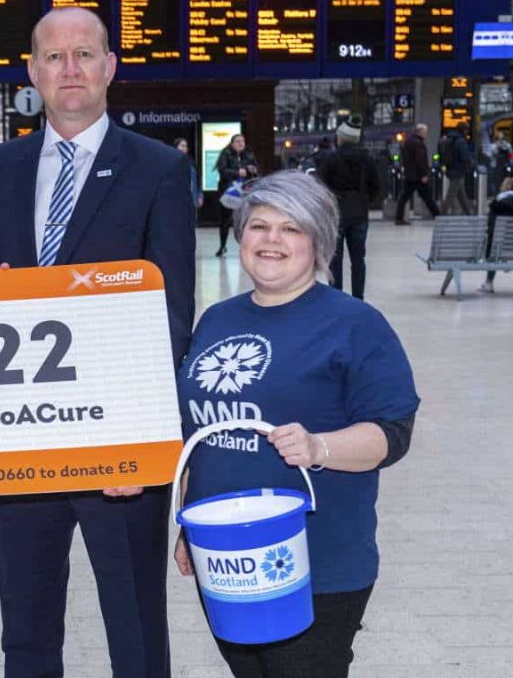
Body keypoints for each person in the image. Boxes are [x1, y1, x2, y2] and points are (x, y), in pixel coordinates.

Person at [0, 7, 195, 678]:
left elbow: (172, 312)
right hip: (22, 436)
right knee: (25, 628)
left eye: (84, 55)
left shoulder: (156, 169)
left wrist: (141, 437)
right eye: (53, 57)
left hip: (115, 440)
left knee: (135, 625)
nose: (69, 69)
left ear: (109, 68)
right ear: (31, 71)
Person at [174, 170, 419, 678]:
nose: (271, 240)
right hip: (227, 557)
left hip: (317, 560)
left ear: (319, 241)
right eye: (259, 226)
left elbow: (392, 432)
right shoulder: (217, 319)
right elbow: (198, 438)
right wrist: (187, 525)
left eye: (291, 228)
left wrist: (318, 446)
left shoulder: (353, 324)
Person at [318, 117, 380, 301]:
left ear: (341, 138)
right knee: (358, 259)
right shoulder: (367, 159)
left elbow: (320, 185)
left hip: (335, 215)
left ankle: (337, 298)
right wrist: (364, 201)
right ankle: (358, 298)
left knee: (335, 260)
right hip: (359, 213)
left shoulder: (331, 158)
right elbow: (376, 187)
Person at [479, 176, 513, 293]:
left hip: (499, 248)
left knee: (492, 242)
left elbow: (491, 228)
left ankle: (489, 283)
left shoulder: (496, 205)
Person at [215, 134, 260, 257]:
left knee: (244, 220)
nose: (241, 143)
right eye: (238, 141)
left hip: (245, 191)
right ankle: (222, 245)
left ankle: (244, 246)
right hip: (229, 191)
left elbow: (257, 170)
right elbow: (222, 170)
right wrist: (236, 172)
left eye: (242, 141)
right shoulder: (226, 154)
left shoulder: (249, 154)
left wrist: (252, 170)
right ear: (232, 143)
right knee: (225, 220)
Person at [396, 123, 440, 224]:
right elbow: (420, 160)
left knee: (405, 197)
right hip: (417, 176)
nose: (426, 134)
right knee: (427, 197)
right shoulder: (418, 143)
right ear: (420, 132)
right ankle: (437, 215)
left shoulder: (408, 142)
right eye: (425, 132)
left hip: (410, 175)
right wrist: (424, 174)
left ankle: (399, 218)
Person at [440, 123, 473, 215]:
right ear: (464, 130)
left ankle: (468, 213)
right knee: (451, 194)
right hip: (458, 170)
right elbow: (464, 156)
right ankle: (443, 213)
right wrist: (470, 162)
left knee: (461, 193)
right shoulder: (461, 141)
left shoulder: (450, 139)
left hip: (450, 168)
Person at [173, 137, 203, 210]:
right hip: (176, 197)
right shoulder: (171, 161)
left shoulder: (191, 162)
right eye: (182, 146)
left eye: (186, 146)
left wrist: (200, 195)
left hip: (191, 196)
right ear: (176, 147)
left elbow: (197, 180)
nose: (184, 148)